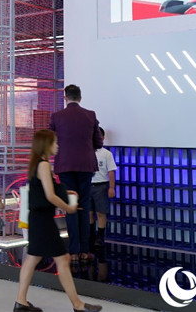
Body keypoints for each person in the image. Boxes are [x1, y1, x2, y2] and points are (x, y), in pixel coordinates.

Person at [15, 129, 103, 312]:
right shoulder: (44, 165)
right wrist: (68, 208)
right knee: (62, 259)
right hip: (43, 221)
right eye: (54, 142)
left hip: (38, 219)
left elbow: (47, 190)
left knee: (33, 259)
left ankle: (21, 302)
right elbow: (50, 195)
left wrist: (65, 192)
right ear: (46, 145)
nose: (57, 145)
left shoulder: (38, 164)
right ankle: (77, 305)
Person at [48, 84, 103, 263]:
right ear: (80, 98)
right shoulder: (90, 115)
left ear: (65, 98)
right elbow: (99, 143)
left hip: (65, 166)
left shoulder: (56, 116)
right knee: (84, 206)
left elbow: (50, 141)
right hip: (86, 166)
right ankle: (85, 250)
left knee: (70, 206)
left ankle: (73, 251)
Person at [89, 128, 116, 259]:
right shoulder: (86, 152)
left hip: (101, 185)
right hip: (88, 185)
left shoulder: (106, 154)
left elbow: (111, 171)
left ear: (103, 138)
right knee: (88, 212)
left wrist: (111, 187)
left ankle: (100, 237)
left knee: (101, 212)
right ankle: (90, 236)